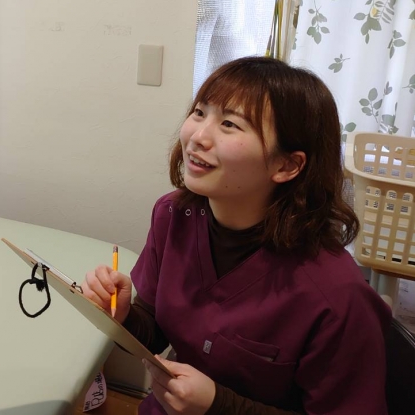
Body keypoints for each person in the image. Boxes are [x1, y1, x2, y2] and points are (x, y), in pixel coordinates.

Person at [82, 56, 391, 414]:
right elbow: (153, 331)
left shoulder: (336, 295)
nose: (197, 136)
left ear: (287, 165)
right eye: (199, 112)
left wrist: (219, 406)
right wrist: (122, 316)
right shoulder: (173, 216)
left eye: (229, 124)